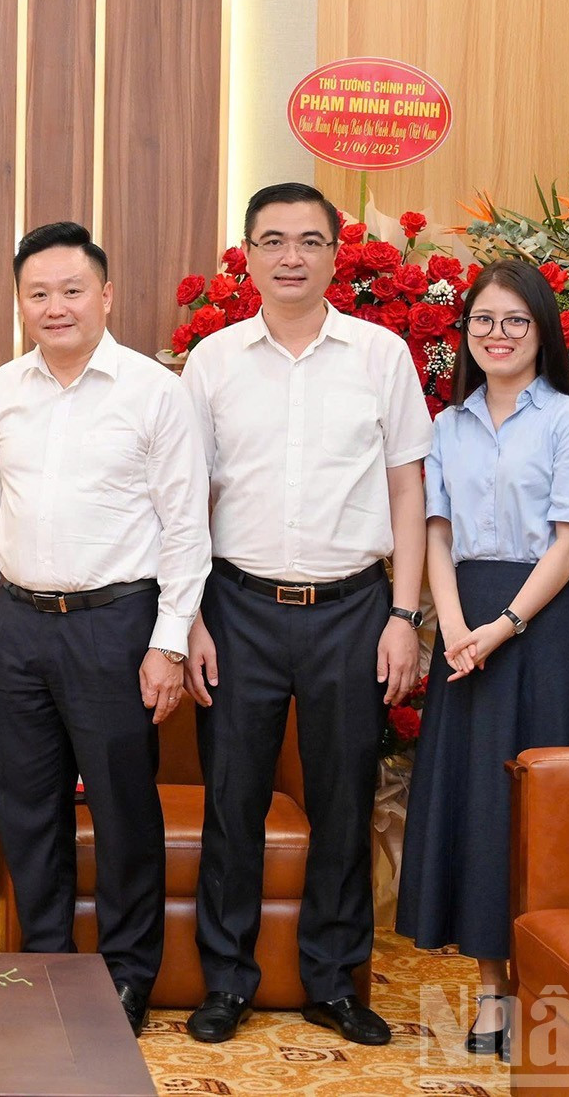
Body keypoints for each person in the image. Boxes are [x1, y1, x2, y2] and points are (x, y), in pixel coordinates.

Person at [179, 183, 431, 1046]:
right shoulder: (213, 360)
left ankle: (334, 980)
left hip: (354, 608)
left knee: (344, 798)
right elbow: (185, 499)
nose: (292, 255)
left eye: (310, 240)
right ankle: (226, 980)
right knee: (232, 800)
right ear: (249, 254)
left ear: (334, 254)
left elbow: (408, 488)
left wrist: (404, 614)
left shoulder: (380, 356)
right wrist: (190, 617)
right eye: (274, 240)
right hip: (236, 605)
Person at [0, 220, 210, 1037]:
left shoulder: (154, 391)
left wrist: (168, 641)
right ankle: (48, 966)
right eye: (39, 293)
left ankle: (128, 974)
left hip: (116, 624)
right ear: (21, 303)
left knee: (123, 809)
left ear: (106, 295)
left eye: (72, 290)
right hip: (20, 625)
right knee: (27, 807)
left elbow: (186, 527)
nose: (55, 306)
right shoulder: (1, 391)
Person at [396, 258, 569, 1057]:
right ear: (465, 332)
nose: (497, 334)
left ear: (541, 330)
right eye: (483, 320)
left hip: (541, 626)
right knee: (478, 803)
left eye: (515, 320)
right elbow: (436, 531)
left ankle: (544, 985)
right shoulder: (447, 426)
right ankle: (493, 989)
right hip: (466, 629)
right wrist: (455, 624)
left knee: (541, 810)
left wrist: (505, 625)